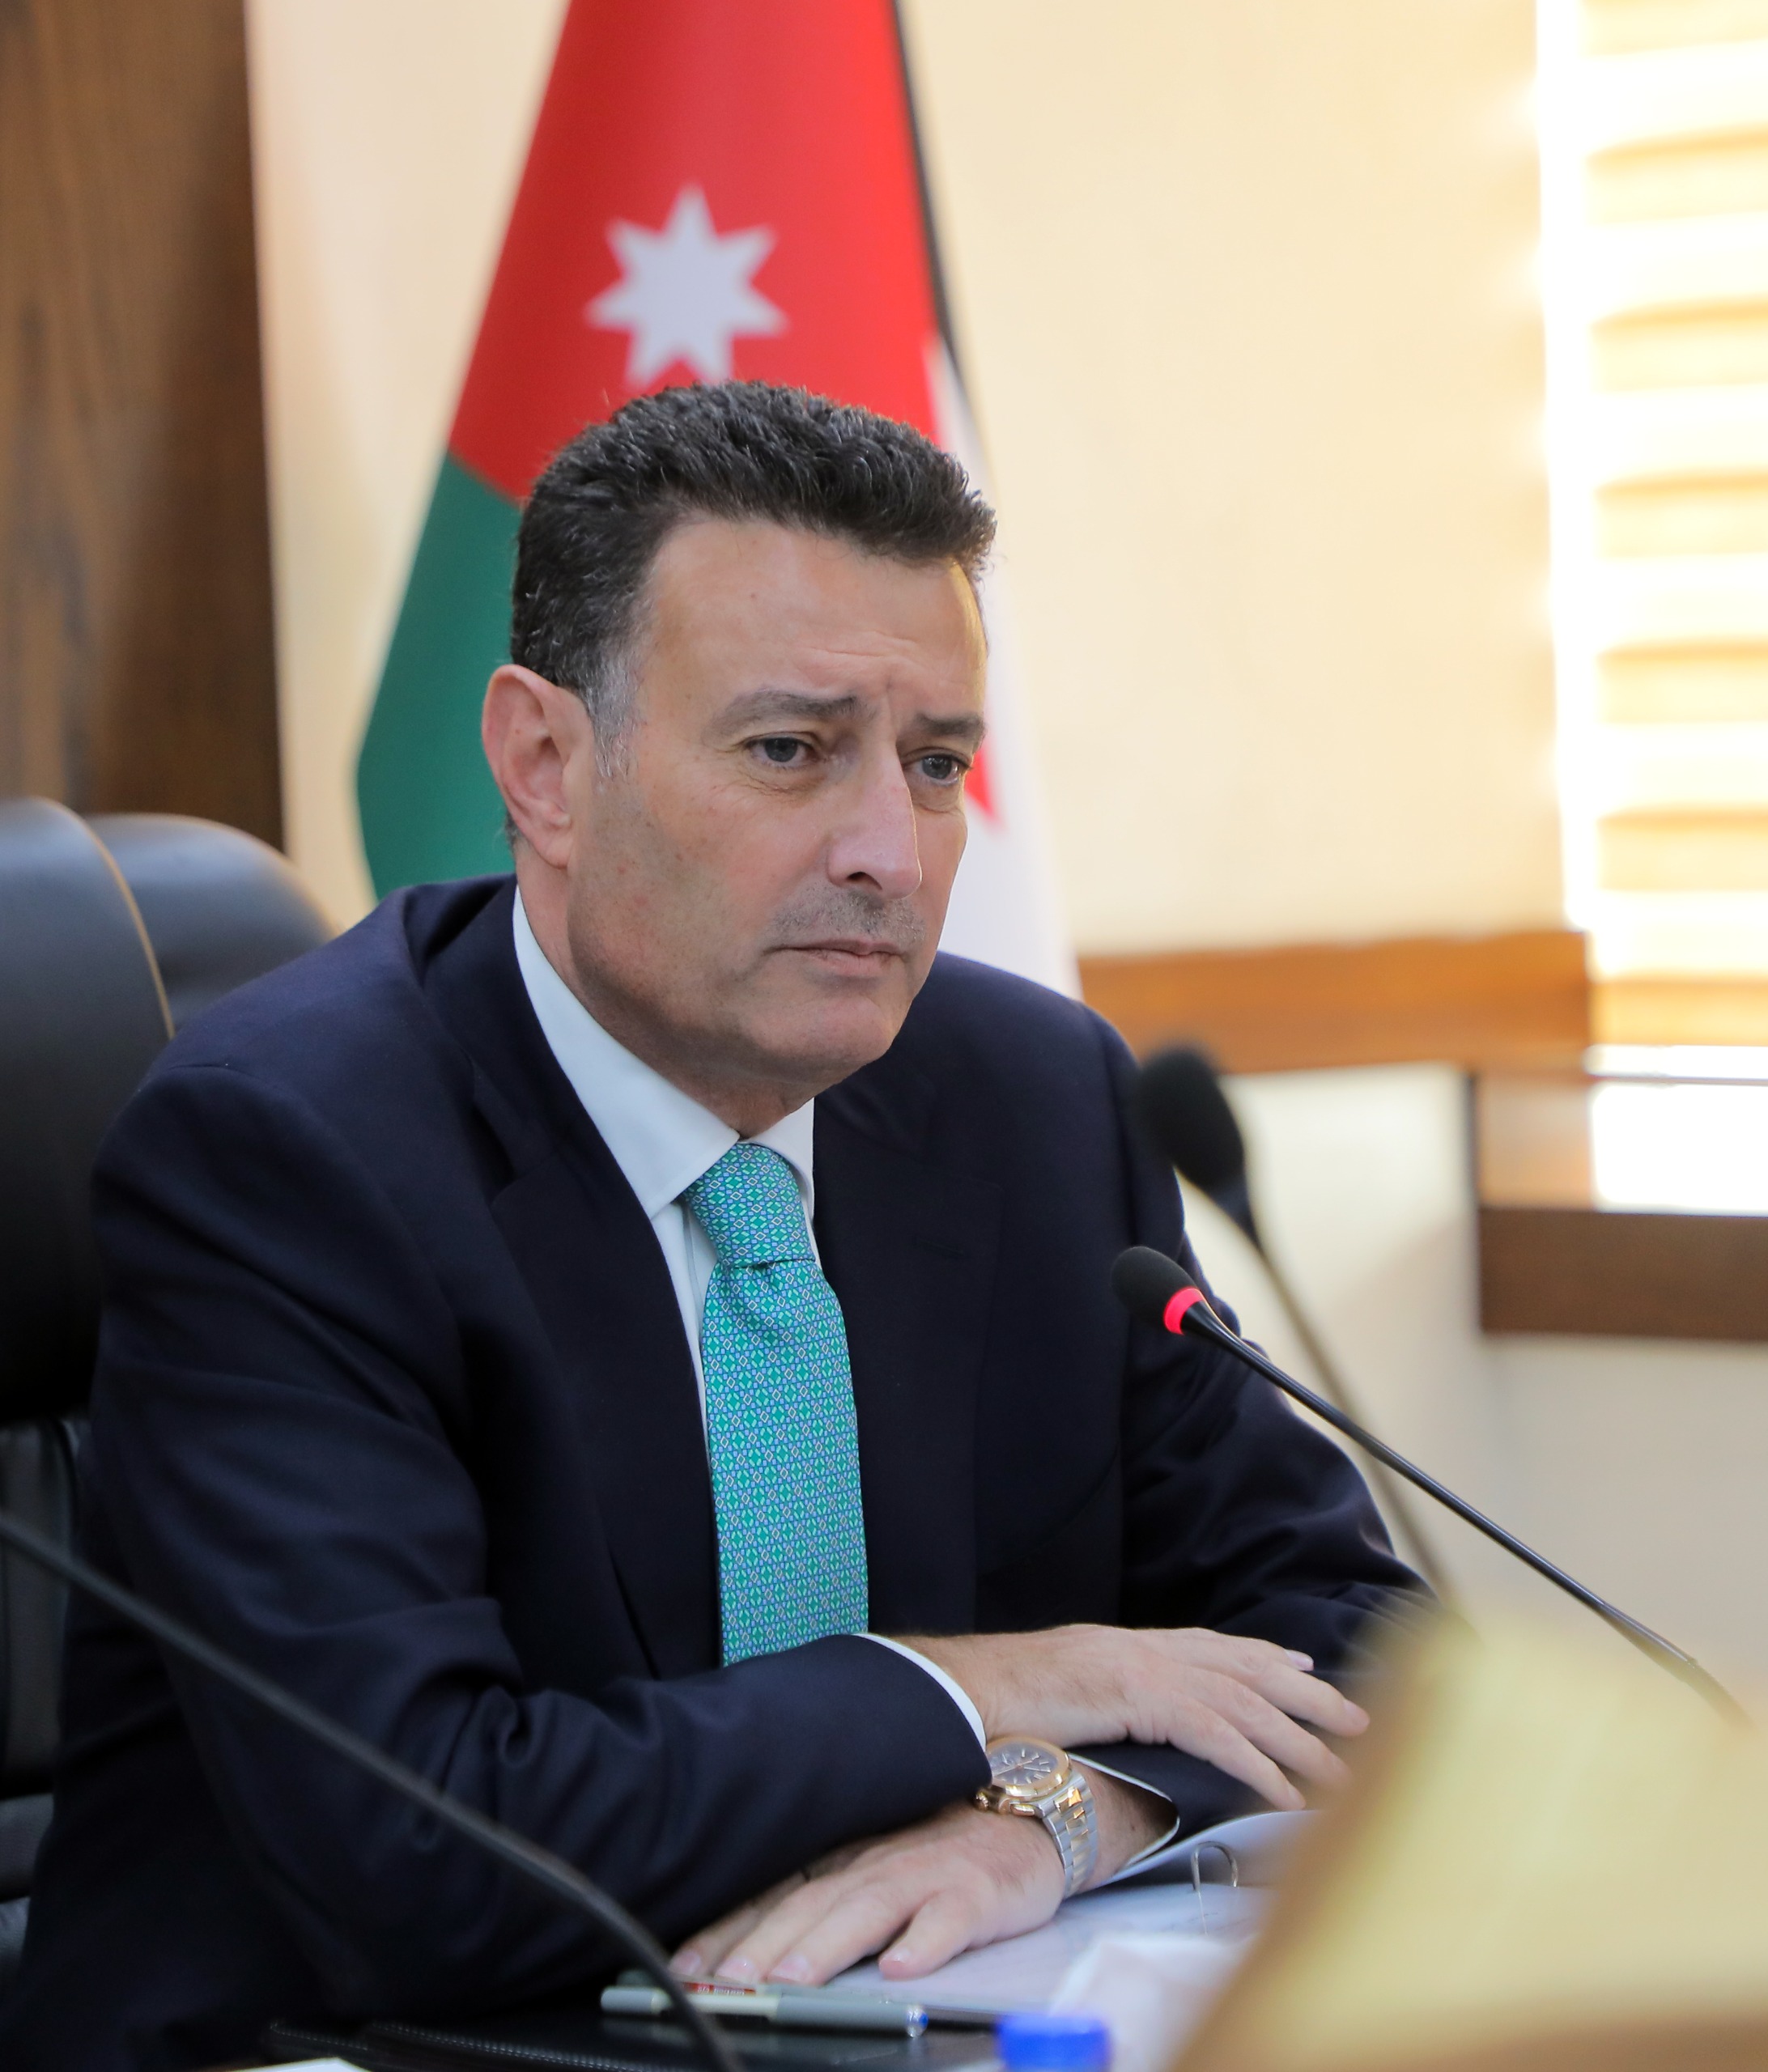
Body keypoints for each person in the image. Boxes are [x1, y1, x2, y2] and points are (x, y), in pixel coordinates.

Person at [5, 383, 1422, 2071]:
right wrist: (985, 1685)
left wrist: (1052, 1814)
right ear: (545, 766)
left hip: (869, 2025)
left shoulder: (1031, 1103)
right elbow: (423, 1847)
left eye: (936, 763)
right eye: (789, 750)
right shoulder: (288, 1156)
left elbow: (1359, 1642)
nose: (890, 853)